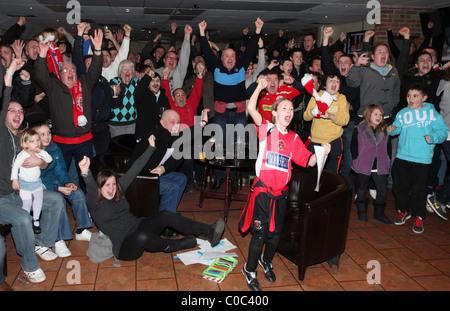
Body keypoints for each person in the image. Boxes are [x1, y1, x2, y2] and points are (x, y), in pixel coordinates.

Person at [238, 77, 330, 291]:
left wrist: (322, 151)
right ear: (275, 113)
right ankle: (249, 269)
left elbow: (308, 161)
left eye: (290, 108)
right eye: (284, 108)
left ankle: (266, 261)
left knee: (275, 234)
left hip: (281, 194)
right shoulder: (266, 128)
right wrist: (259, 88)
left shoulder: (295, 139)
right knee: (260, 234)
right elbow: (251, 107)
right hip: (262, 192)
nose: (288, 112)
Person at [78, 133, 225, 262]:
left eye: (113, 184)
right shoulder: (94, 202)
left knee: (165, 215)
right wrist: (85, 173)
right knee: (142, 237)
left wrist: (150, 148)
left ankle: (208, 232)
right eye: (107, 185)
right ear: (100, 187)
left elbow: (135, 168)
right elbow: (90, 185)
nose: (111, 188)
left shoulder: (119, 189)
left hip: (138, 226)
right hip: (125, 247)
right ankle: (175, 245)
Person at [0, 58, 63, 283]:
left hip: (22, 191)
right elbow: (4, 96)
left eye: (20, 111)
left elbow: (46, 162)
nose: (17, 114)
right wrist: (9, 72)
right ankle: (28, 265)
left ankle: (42, 244)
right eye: (11, 111)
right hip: (2, 198)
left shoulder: (22, 138)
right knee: (23, 220)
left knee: (55, 200)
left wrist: (40, 164)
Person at [34, 27, 104, 191]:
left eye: (73, 69)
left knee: (86, 176)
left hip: (84, 142)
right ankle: (58, 207)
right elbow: (40, 75)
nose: (70, 72)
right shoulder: (53, 86)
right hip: (61, 144)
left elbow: (95, 70)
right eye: (65, 70)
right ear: (60, 74)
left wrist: (98, 50)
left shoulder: (85, 84)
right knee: (58, 176)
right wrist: (42, 55)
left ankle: (89, 207)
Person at [198, 18, 264, 190]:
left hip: (239, 114)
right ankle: (220, 178)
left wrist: (257, 31)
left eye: (232, 56)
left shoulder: (241, 67)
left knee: (238, 146)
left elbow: (250, 50)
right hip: (220, 114)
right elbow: (206, 50)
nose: (229, 58)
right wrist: (201, 34)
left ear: (236, 58)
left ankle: (234, 178)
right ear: (222, 58)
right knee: (220, 146)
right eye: (226, 56)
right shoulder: (216, 67)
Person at [388, 84, 448, 233]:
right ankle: (403, 210)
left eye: (415, 96)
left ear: (424, 98)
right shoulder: (403, 113)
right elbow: (397, 127)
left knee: (418, 190)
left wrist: (433, 137)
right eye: (409, 95)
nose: (411, 99)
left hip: (421, 159)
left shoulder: (432, 113)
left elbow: (442, 131)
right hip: (402, 156)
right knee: (399, 186)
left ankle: (419, 216)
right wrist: (392, 129)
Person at [33, 123, 93, 257]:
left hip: (58, 181)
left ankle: (81, 230)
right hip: (42, 186)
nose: (47, 137)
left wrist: (68, 182)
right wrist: (57, 188)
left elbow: (61, 169)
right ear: (35, 136)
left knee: (77, 193)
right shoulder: (32, 154)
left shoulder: (54, 147)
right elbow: (37, 179)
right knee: (58, 199)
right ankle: (59, 240)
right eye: (42, 134)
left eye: (49, 133)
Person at [351, 105, 392, 224]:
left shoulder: (385, 130)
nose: (379, 117)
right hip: (363, 163)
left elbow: (388, 147)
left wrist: (388, 159)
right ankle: (362, 211)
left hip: (380, 164)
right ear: (368, 115)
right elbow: (353, 146)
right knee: (362, 189)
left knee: (382, 190)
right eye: (375, 114)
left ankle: (379, 213)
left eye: (380, 114)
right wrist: (356, 158)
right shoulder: (359, 129)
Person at [303, 74, 349, 173]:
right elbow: (306, 117)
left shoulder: (341, 98)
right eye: (331, 80)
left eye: (337, 81)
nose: (334, 83)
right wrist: (313, 112)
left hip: (334, 141)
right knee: (313, 174)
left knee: (331, 174)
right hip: (316, 141)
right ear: (325, 84)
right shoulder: (317, 96)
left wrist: (331, 116)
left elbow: (345, 120)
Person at [11, 128, 53, 234]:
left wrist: (42, 152)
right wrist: (14, 179)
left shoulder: (39, 153)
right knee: (27, 203)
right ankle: (26, 223)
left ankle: (36, 221)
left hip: (36, 183)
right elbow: (15, 166)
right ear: (25, 144)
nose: (36, 143)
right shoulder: (23, 155)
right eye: (32, 141)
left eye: (37, 140)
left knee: (38, 200)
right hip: (25, 184)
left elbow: (49, 160)